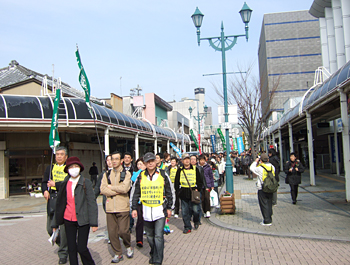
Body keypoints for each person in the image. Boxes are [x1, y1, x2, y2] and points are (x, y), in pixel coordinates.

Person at [131, 152, 174, 265]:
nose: (150, 163)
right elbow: (135, 193)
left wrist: (170, 208)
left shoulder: (163, 174)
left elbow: (170, 191)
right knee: (150, 237)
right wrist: (134, 208)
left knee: (158, 236)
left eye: (152, 161)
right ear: (144, 163)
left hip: (160, 210)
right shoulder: (141, 176)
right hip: (146, 211)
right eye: (148, 161)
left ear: (156, 162)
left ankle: (157, 260)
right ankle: (153, 252)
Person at [54, 156, 98, 265]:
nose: (74, 168)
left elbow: (91, 202)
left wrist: (94, 222)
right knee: (71, 248)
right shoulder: (65, 183)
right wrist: (55, 223)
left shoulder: (85, 182)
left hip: (83, 219)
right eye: (71, 166)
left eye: (76, 166)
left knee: (82, 248)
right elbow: (59, 204)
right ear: (67, 169)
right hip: (68, 219)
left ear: (80, 168)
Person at [100, 151, 133, 263]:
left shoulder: (126, 174)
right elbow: (102, 189)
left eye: (116, 159)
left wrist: (111, 188)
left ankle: (128, 246)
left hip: (123, 206)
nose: (113, 161)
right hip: (110, 208)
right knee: (112, 233)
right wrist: (116, 190)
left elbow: (125, 188)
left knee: (123, 231)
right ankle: (118, 253)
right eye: (112, 159)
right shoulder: (106, 174)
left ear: (121, 160)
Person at [42, 146, 69, 264]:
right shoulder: (50, 168)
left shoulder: (69, 168)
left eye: (61, 154)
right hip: (52, 200)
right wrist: (45, 190)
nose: (58, 156)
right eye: (57, 154)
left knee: (63, 229)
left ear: (66, 156)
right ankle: (64, 244)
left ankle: (63, 253)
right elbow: (44, 182)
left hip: (64, 200)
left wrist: (56, 184)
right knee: (50, 228)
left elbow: (68, 183)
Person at [174, 153, 203, 233]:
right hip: (183, 193)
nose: (187, 161)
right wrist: (178, 191)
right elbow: (176, 182)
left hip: (193, 192)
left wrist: (198, 189)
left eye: (188, 159)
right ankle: (187, 227)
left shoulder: (195, 169)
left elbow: (199, 180)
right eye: (185, 159)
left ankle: (196, 221)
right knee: (184, 211)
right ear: (182, 161)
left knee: (195, 210)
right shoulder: (180, 170)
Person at [249, 153, 275, 226]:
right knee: (269, 203)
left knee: (264, 204)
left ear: (261, 160)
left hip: (262, 188)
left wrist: (255, 161)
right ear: (268, 159)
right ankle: (269, 218)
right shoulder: (272, 167)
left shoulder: (260, 168)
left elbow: (251, 168)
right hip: (271, 187)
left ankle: (267, 221)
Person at [131, 157, 146, 248]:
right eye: (138, 164)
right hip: (140, 201)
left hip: (150, 201)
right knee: (140, 220)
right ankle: (139, 239)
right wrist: (133, 205)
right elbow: (134, 190)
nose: (139, 166)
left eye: (141, 164)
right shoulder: (137, 175)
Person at [190, 154, 206, 224]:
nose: (193, 161)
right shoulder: (185, 168)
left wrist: (203, 187)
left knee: (197, 204)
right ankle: (191, 217)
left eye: (194, 159)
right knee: (190, 205)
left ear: (196, 161)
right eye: (191, 159)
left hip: (197, 189)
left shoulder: (200, 168)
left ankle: (197, 219)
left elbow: (202, 179)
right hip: (188, 189)